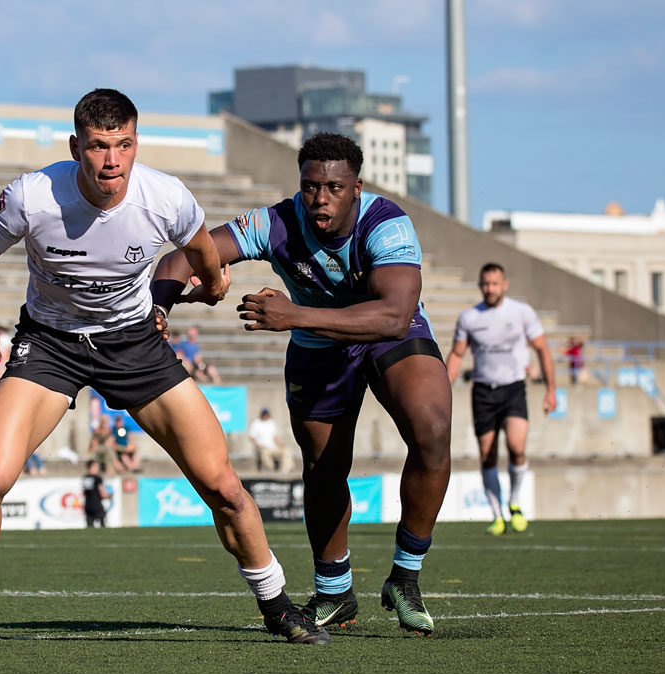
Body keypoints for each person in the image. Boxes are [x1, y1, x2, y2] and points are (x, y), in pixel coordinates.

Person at [0, 89, 326, 646]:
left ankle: (278, 606)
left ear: (136, 143)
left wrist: (214, 285)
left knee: (225, 487)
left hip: (135, 346)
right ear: (76, 147)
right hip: (50, 344)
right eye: (98, 146)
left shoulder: (166, 197)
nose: (112, 160)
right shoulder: (32, 196)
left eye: (124, 145)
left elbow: (200, 249)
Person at [152, 132, 451, 636]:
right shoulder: (275, 222)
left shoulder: (387, 224)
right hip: (317, 348)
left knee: (433, 430)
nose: (320, 199)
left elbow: (395, 317)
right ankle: (335, 592)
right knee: (324, 467)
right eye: (311, 186)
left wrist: (294, 315)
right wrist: (162, 306)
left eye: (334, 188)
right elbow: (185, 255)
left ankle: (405, 576)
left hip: (385, 334)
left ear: (357, 188)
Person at [445, 262, 557, 536]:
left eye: (495, 284)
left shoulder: (521, 312)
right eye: (486, 284)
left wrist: (551, 390)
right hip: (483, 392)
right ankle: (497, 516)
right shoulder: (469, 317)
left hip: (513, 389)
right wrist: (443, 391)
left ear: (504, 285)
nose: (490, 288)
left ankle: (514, 501)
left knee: (517, 447)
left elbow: (542, 349)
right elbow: (457, 354)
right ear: (480, 285)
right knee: (488, 454)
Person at [248, 407, 294, 473]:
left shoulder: (271, 423)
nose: (265, 416)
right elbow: (252, 438)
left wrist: (281, 444)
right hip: (263, 447)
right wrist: (259, 445)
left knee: (287, 450)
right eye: (264, 414)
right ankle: (271, 469)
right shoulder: (256, 423)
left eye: (266, 414)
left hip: (273, 447)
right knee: (264, 452)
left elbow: (275, 437)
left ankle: (286, 468)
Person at [81, 459, 110, 528]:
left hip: (88, 506)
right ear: (91, 468)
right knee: (103, 525)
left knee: (90, 527)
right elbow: (102, 492)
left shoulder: (85, 478)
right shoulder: (97, 478)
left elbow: (84, 493)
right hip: (97, 505)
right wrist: (108, 496)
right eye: (96, 467)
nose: (97, 469)